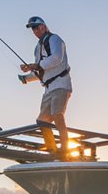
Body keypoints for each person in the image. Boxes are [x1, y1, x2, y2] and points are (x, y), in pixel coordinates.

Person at [19, 16, 72, 158]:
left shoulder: (55, 39)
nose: (35, 30)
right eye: (32, 28)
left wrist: (35, 65)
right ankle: (51, 149)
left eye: (36, 27)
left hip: (61, 84)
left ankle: (65, 146)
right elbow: (40, 71)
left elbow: (56, 58)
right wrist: (26, 78)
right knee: (42, 120)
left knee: (57, 114)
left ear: (43, 26)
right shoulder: (37, 48)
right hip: (48, 88)